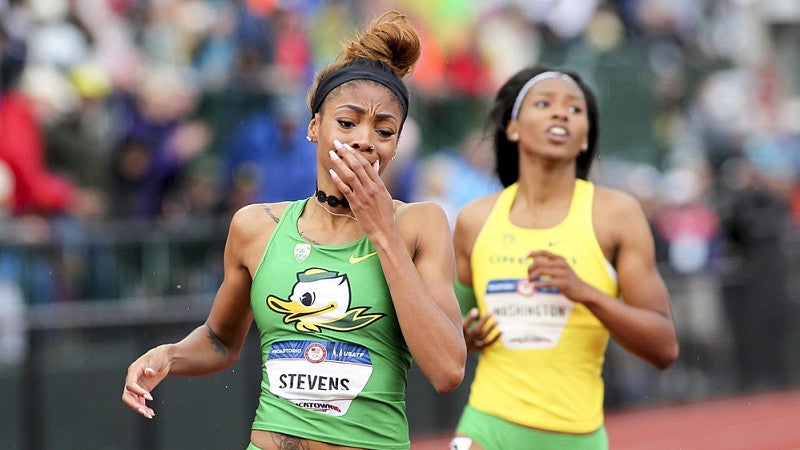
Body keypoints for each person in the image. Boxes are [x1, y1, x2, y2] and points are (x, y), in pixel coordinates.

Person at [122, 11, 466, 450]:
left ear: (396, 143)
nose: (364, 140)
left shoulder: (419, 225)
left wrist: (382, 233)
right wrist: (168, 354)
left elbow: (447, 371)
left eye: (384, 130)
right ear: (313, 127)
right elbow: (219, 340)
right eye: (347, 122)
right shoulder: (255, 226)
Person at [449, 65, 680, 450]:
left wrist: (584, 292)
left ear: (586, 137)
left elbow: (664, 347)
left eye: (575, 110)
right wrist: (465, 338)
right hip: (487, 427)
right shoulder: (474, 220)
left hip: (577, 436)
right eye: (544, 104)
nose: (561, 113)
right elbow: (449, 327)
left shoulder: (616, 215)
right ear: (513, 128)